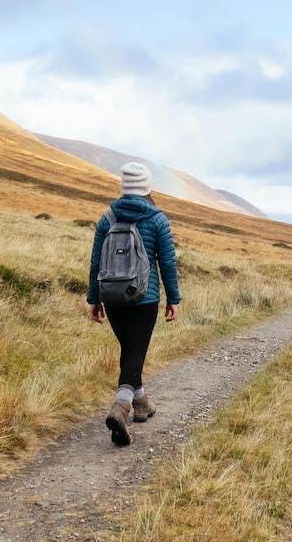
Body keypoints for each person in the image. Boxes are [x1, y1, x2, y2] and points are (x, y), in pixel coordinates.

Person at [87, 161, 181, 446]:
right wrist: (173, 298)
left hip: (113, 297)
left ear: (123, 186)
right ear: (147, 187)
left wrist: (94, 298)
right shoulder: (157, 220)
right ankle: (121, 407)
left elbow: (96, 262)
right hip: (145, 297)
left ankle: (142, 405)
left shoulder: (107, 218)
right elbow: (167, 262)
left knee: (130, 351)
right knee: (134, 353)